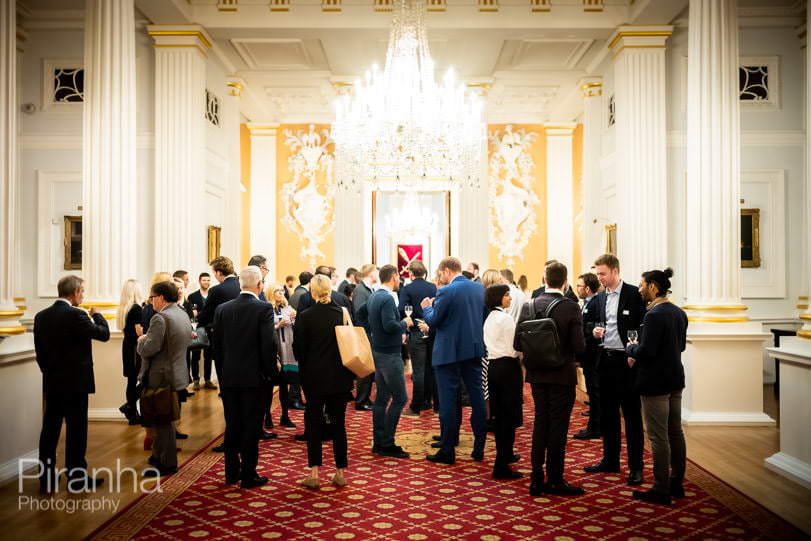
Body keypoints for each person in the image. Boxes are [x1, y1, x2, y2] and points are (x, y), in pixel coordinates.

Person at [515, 262, 585, 496]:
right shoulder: (571, 307)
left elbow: (517, 343)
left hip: (536, 374)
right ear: (565, 282)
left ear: (544, 279)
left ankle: (536, 478)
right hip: (562, 375)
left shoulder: (530, 305)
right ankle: (555, 478)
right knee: (558, 427)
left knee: (540, 423)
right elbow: (579, 346)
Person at [35, 275, 110, 493]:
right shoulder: (77, 315)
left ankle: (46, 480)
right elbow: (103, 334)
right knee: (77, 431)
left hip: (52, 381)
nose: (84, 295)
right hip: (76, 384)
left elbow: (40, 352)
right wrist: (98, 315)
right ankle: (76, 477)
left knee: (49, 430)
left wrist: (48, 372)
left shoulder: (41, 316)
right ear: (75, 292)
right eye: (83, 292)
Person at [626, 268, 688, 505]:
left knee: (658, 436)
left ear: (653, 287)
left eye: (642, 285)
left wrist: (631, 348)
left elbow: (646, 352)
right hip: (675, 378)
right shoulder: (679, 312)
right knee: (675, 432)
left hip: (655, 382)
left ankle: (661, 488)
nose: (640, 289)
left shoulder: (653, 315)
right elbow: (680, 347)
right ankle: (676, 482)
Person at [212, 266, 278, 489]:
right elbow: (267, 346)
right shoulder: (263, 308)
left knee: (232, 424)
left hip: (229, 377)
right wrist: (270, 375)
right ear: (259, 285)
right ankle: (248, 474)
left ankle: (231, 473)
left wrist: (222, 376)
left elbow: (217, 348)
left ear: (241, 284)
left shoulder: (222, 309)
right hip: (254, 379)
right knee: (250, 426)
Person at [584, 254, 646, 486]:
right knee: (608, 414)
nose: (599, 278)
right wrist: (593, 331)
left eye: (602, 274)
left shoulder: (633, 294)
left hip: (626, 363)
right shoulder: (599, 297)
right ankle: (610, 460)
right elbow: (589, 324)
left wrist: (635, 353)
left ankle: (636, 467)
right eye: (597, 274)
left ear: (615, 271)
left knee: (631, 416)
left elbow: (643, 325)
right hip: (605, 361)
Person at [422, 257, 487, 465]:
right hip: (474, 350)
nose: (440, 278)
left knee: (449, 401)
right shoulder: (479, 289)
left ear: (447, 271)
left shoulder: (447, 291)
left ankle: (448, 450)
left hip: (448, 354)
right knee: (477, 399)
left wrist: (427, 307)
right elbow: (482, 317)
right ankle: (479, 447)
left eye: (440, 274)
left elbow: (433, 320)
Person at [293, 275, 356, 489]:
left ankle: (315, 473)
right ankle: (340, 472)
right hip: (340, 377)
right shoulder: (342, 312)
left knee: (313, 423)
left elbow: (298, 350)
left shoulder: (305, 316)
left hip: (314, 378)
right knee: (339, 423)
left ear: (312, 291)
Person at [137, 280, 193, 477]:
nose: (151, 301)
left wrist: (141, 341)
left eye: (152, 297)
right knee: (164, 419)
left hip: (160, 374)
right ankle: (158, 456)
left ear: (160, 297)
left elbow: (150, 348)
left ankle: (166, 463)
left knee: (162, 421)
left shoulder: (160, 318)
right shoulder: (182, 313)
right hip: (176, 371)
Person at [366, 264, 413, 458]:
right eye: (398, 277)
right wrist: (405, 323)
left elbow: (361, 315)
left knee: (382, 399)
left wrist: (372, 334)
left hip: (378, 351)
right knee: (400, 398)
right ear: (393, 276)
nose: (399, 281)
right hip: (389, 354)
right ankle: (387, 443)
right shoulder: (385, 297)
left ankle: (379, 442)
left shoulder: (374, 295)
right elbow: (389, 325)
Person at [197, 256, 241, 453]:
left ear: (218, 273)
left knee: (229, 396)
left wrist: (201, 325)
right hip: (244, 347)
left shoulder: (217, 291)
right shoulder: (242, 285)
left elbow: (206, 316)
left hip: (224, 347)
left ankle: (231, 438)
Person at [483, 284, 523, 480]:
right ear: (498, 298)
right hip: (508, 367)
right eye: (506, 295)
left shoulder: (490, 317)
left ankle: (505, 455)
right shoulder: (505, 319)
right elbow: (514, 348)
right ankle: (501, 464)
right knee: (508, 417)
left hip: (493, 367)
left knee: (500, 415)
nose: (510, 298)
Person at [398, 260, 438, 416]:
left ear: (411, 273)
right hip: (431, 329)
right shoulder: (433, 287)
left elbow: (402, 309)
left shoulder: (407, 289)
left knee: (419, 371)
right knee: (432, 369)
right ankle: (433, 404)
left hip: (416, 331)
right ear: (424, 272)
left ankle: (416, 407)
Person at [574, 272, 602, 440]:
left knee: (595, 391)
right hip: (588, 354)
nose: (577, 288)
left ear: (588, 288)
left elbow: (590, 330)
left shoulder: (595, 304)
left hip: (593, 354)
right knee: (593, 391)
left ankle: (596, 427)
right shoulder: (587, 303)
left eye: (579, 286)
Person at [265, 282, 297, 430]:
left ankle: (285, 415)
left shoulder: (288, 308)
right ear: (271, 293)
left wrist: (296, 317)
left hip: (287, 351)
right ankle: (267, 417)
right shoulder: (266, 309)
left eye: (282, 291)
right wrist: (277, 326)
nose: (281, 293)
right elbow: (264, 329)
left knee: (285, 384)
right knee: (269, 386)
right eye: (277, 291)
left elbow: (296, 326)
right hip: (273, 350)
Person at [351, 263, 379, 411]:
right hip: (364, 333)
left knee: (368, 368)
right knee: (364, 369)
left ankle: (365, 398)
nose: (378, 274)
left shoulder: (368, 289)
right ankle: (361, 401)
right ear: (370, 273)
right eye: (376, 271)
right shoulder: (361, 290)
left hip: (369, 333)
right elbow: (360, 313)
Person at [117, 279, 144, 425]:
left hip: (127, 346)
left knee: (131, 381)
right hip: (136, 349)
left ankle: (131, 410)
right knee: (144, 379)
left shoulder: (124, 309)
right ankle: (130, 407)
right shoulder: (136, 308)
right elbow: (139, 332)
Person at [188, 272, 216, 390]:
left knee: (208, 356)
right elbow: (191, 314)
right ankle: (196, 380)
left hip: (210, 328)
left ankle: (208, 380)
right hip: (197, 328)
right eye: (204, 280)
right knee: (195, 355)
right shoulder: (192, 296)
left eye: (208, 280)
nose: (206, 282)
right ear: (200, 281)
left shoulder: (213, 294)